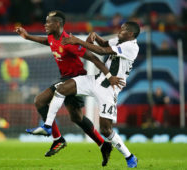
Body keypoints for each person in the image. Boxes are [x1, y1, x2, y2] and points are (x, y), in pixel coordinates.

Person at [15, 10, 123, 165]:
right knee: (76, 117)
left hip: (76, 80)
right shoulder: (53, 37)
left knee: (40, 101)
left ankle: (57, 138)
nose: (45, 25)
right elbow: (47, 41)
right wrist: (28, 36)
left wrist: (109, 76)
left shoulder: (69, 42)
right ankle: (103, 144)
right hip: (66, 79)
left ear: (58, 24)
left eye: (48, 22)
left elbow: (93, 58)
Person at [30, 21, 140, 168]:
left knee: (106, 130)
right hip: (97, 80)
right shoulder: (120, 40)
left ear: (131, 34)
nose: (120, 31)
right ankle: (48, 126)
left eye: (124, 30)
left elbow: (102, 52)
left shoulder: (131, 47)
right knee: (62, 88)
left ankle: (130, 156)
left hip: (109, 88)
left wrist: (77, 40)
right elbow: (104, 44)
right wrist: (96, 36)